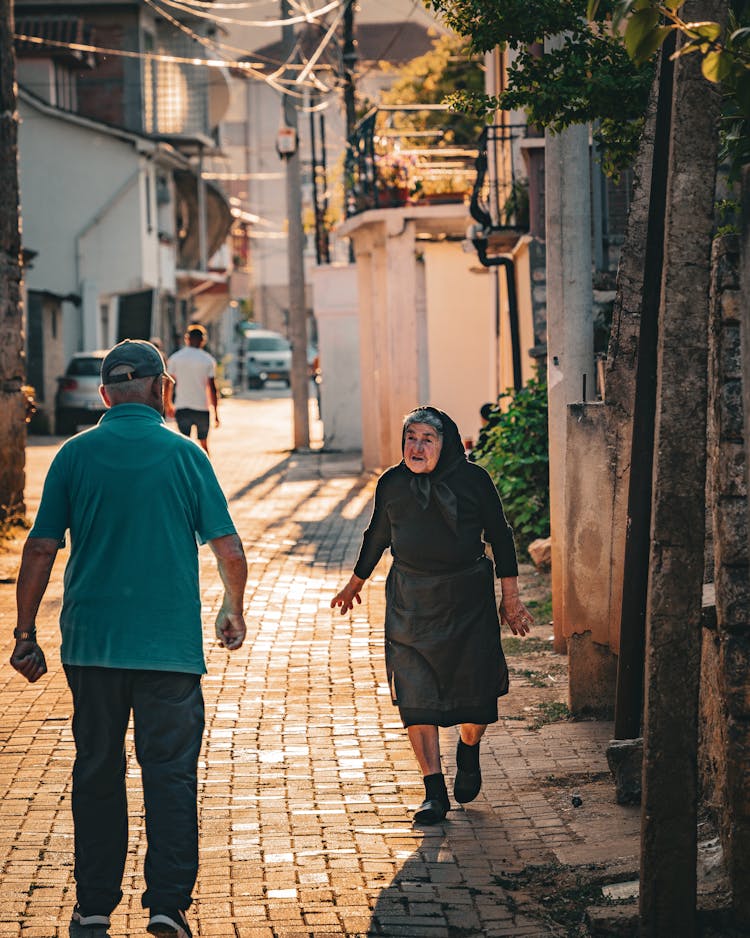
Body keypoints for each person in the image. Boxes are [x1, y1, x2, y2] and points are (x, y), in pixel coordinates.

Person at [10, 339, 247, 938]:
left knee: (96, 769)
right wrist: (231, 609)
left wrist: (23, 632)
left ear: (105, 393)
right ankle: (167, 906)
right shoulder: (186, 456)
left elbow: (40, 549)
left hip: (92, 648)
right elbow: (229, 549)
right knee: (169, 774)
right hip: (168, 651)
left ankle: (93, 906)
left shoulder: (73, 454)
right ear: (164, 390)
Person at [331, 406, 533, 825]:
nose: (416, 447)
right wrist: (355, 583)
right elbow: (378, 535)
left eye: (427, 439)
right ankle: (433, 792)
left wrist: (510, 598)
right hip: (411, 599)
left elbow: (501, 536)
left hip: (468, 599)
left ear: (447, 444)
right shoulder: (392, 483)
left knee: (474, 700)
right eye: (411, 437)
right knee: (415, 693)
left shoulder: (474, 480)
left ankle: (469, 746)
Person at [165, 324, 220, 456]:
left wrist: (167, 404)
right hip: (202, 408)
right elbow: (212, 388)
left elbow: (168, 384)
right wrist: (216, 413)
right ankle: (205, 473)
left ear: (187, 339)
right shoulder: (208, 360)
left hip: (182, 407)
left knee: (184, 446)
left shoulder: (175, 358)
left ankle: (185, 475)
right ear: (203, 340)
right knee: (204, 446)